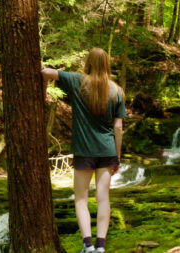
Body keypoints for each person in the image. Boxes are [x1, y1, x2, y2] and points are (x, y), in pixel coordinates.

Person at [42, 48, 126, 253]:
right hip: (107, 151)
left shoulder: (77, 81)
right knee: (103, 198)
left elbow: (45, 71)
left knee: (80, 197)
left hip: (84, 150)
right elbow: (117, 128)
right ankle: (101, 246)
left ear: (88, 62)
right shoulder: (117, 91)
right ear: (107, 64)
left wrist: (42, 90)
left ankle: (87, 245)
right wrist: (117, 156)